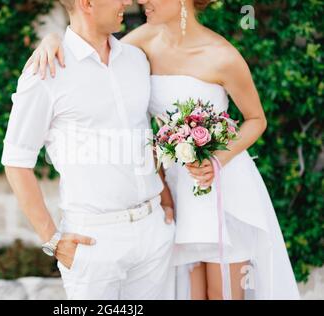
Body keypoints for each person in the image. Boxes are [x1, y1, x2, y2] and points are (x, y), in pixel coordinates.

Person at [26, 0, 300, 299]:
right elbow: (91, 47)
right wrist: (52, 39)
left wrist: (217, 160)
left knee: (223, 293)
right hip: (173, 189)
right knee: (188, 292)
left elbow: (256, 119)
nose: (140, 0)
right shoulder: (139, 43)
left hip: (221, 184)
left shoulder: (222, 56)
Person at [1, 0, 176, 300]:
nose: (127, 2)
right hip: (94, 242)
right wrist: (52, 240)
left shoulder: (136, 59)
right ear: (87, 3)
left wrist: (165, 202)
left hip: (153, 233)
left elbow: (145, 134)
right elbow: (16, 161)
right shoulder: (46, 70)